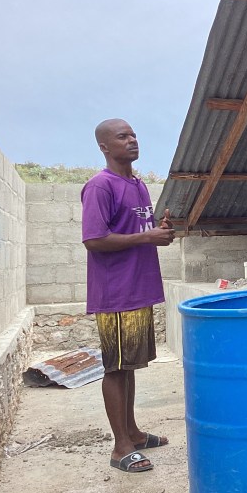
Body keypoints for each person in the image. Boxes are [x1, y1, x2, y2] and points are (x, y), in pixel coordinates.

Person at [81, 118, 176, 473]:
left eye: (134, 135)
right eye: (123, 137)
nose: (132, 140)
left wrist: (159, 232)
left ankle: (133, 433)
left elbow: (137, 231)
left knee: (130, 365)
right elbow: (94, 240)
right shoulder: (100, 186)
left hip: (138, 288)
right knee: (116, 368)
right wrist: (147, 237)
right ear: (104, 147)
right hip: (116, 292)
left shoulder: (138, 185)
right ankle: (120, 447)